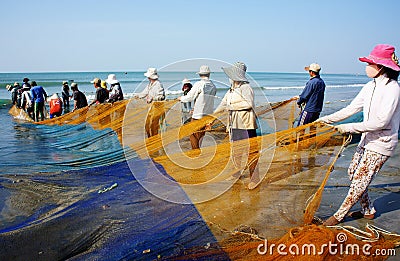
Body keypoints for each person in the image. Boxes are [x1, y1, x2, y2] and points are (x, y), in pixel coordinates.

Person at [318, 44, 400, 226]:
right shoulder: (370, 87)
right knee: (352, 172)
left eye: (370, 63)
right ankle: (367, 209)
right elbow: (351, 109)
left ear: (380, 67)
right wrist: (325, 120)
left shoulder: (393, 88)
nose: (367, 66)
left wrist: (348, 128)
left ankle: (338, 216)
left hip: (382, 142)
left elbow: (381, 122)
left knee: (360, 180)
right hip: (367, 139)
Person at [214, 62, 260, 190]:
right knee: (236, 151)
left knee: (251, 152)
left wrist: (231, 107)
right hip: (234, 124)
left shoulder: (246, 88)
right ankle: (236, 173)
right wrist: (212, 117)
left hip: (246, 124)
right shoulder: (231, 89)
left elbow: (248, 104)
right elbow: (223, 104)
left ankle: (254, 179)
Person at [178, 66, 217, 149]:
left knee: (193, 136)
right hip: (208, 116)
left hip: (198, 116)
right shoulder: (213, 86)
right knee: (200, 137)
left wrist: (181, 98)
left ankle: (196, 155)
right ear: (209, 74)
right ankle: (197, 154)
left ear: (200, 74)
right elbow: (207, 100)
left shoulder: (199, 84)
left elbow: (190, 97)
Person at [135, 68, 166, 137]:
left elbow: (162, 96)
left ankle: (154, 139)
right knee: (147, 124)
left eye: (148, 76)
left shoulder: (158, 84)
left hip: (157, 108)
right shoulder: (150, 84)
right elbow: (144, 92)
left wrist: (152, 98)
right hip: (151, 108)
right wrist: (138, 96)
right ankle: (151, 138)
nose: (148, 78)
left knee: (153, 125)